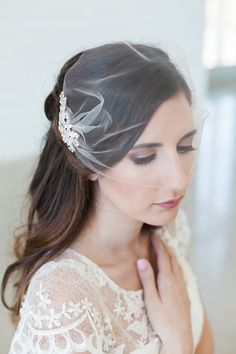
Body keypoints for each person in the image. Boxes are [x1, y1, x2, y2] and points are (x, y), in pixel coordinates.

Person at [1, 41, 214, 353]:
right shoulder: (63, 298)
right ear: (89, 162)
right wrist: (178, 342)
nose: (180, 179)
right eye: (144, 157)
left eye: (184, 147)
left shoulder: (168, 230)